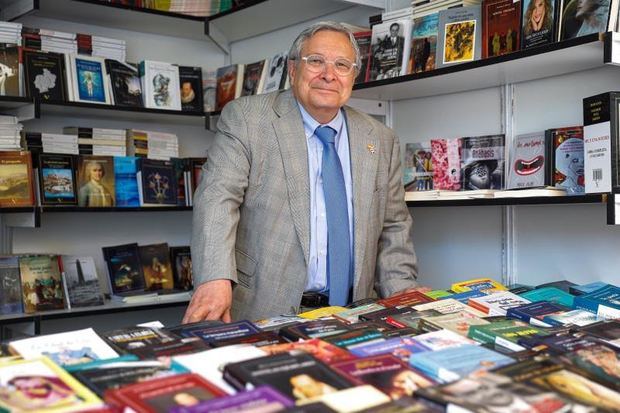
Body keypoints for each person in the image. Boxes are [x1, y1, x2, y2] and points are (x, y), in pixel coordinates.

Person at [184, 21, 418, 323]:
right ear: (293, 70)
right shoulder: (247, 118)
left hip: (355, 315)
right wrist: (214, 278)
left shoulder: (380, 138)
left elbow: (394, 228)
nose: (328, 75)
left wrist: (405, 302)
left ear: (353, 76)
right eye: (316, 61)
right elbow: (218, 198)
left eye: (342, 65)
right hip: (264, 311)